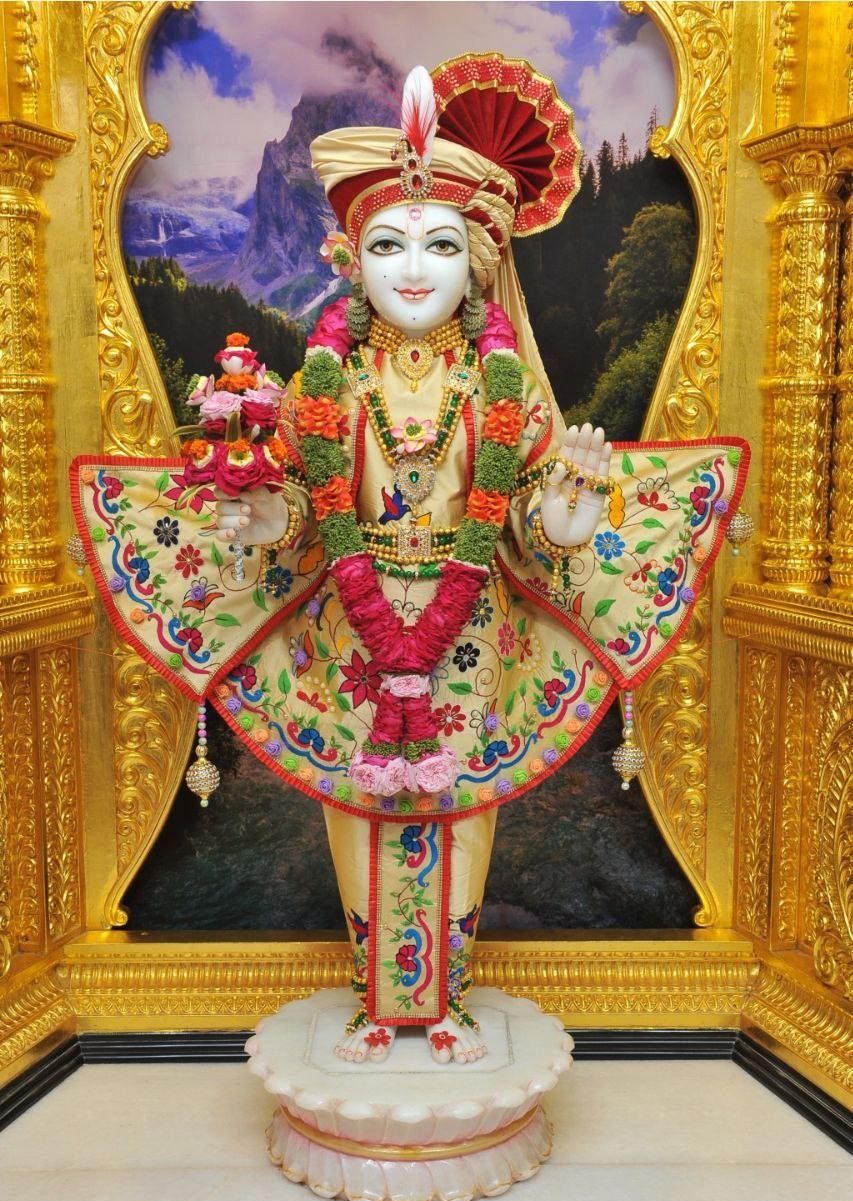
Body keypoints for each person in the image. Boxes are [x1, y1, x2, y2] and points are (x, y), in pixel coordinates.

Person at [72, 55, 748, 1067]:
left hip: (468, 635)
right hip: (352, 630)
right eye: (388, 244)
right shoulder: (326, 383)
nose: (414, 269)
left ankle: (443, 1004)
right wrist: (267, 515)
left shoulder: (499, 387)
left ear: (478, 260)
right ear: (352, 261)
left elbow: (529, 517)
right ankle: (375, 1001)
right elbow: (303, 509)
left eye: (439, 244)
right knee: (356, 808)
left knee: (460, 808)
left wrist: (566, 510)